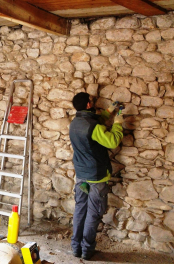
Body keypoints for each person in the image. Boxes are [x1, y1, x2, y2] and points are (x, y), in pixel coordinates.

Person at [69, 92, 124, 260]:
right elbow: (112, 141)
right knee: (93, 214)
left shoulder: (75, 123)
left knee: (80, 211)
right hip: (96, 176)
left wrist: (109, 111)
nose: (93, 102)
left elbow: (94, 123)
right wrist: (118, 122)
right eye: (91, 101)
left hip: (81, 175)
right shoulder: (93, 127)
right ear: (87, 105)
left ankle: (75, 247)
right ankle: (86, 250)